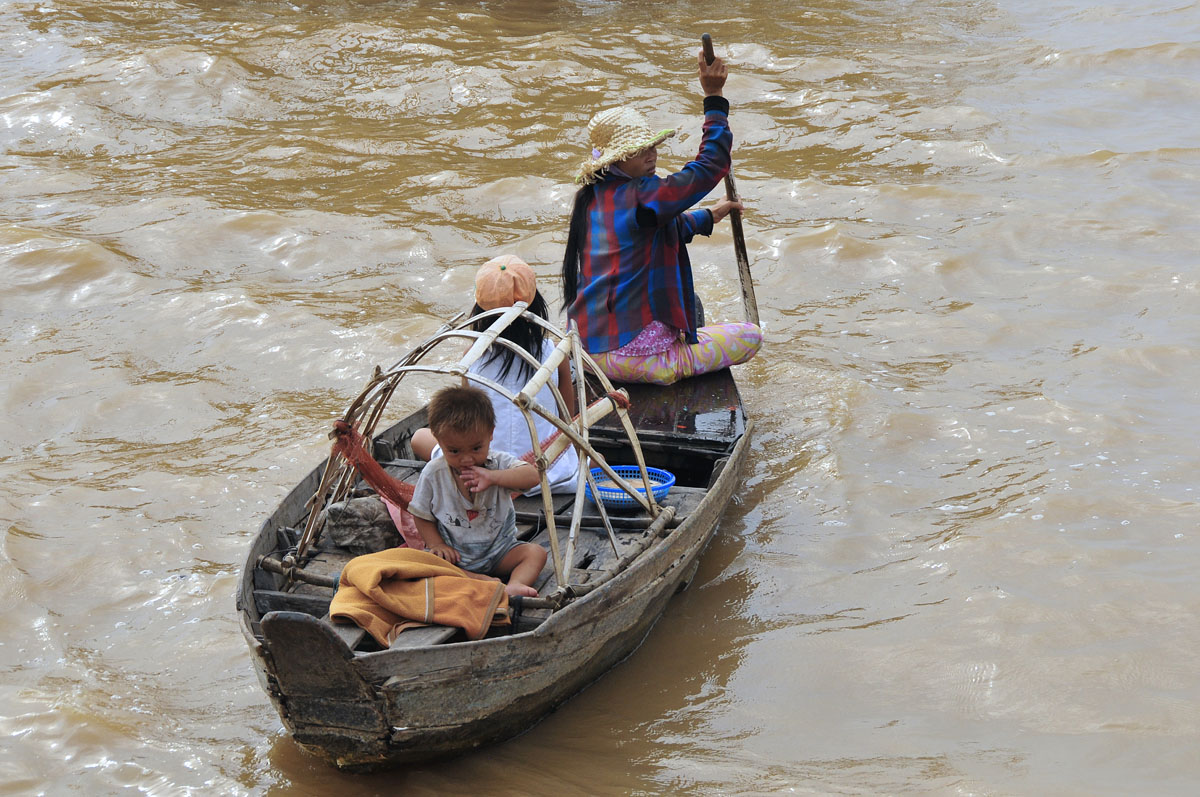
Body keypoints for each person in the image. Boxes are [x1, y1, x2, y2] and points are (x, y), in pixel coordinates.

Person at [561, 49, 763, 386]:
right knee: (750, 336)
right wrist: (714, 96)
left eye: (652, 146)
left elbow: (657, 229)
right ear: (617, 160)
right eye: (639, 151)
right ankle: (669, 361)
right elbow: (710, 165)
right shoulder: (643, 194)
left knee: (690, 307)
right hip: (636, 361)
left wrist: (710, 216)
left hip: (583, 351)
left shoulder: (592, 199)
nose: (652, 154)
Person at [411, 254, 581, 493]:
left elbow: (468, 424)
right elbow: (566, 421)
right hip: (546, 474)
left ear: (480, 310)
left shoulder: (472, 357)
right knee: (592, 454)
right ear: (536, 305)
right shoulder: (555, 353)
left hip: (487, 467)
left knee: (419, 437)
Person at [408, 385, 547, 598]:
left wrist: (492, 478)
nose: (466, 459)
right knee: (423, 564)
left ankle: (514, 585)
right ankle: (478, 580)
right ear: (438, 438)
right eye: (454, 451)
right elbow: (421, 514)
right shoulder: (433, 473)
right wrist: (436, 544)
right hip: (456, 557)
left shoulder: (498, 463)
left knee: (535, 553)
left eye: (476, 449)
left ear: (490, 434)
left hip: (499, 552)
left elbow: (532, 476)